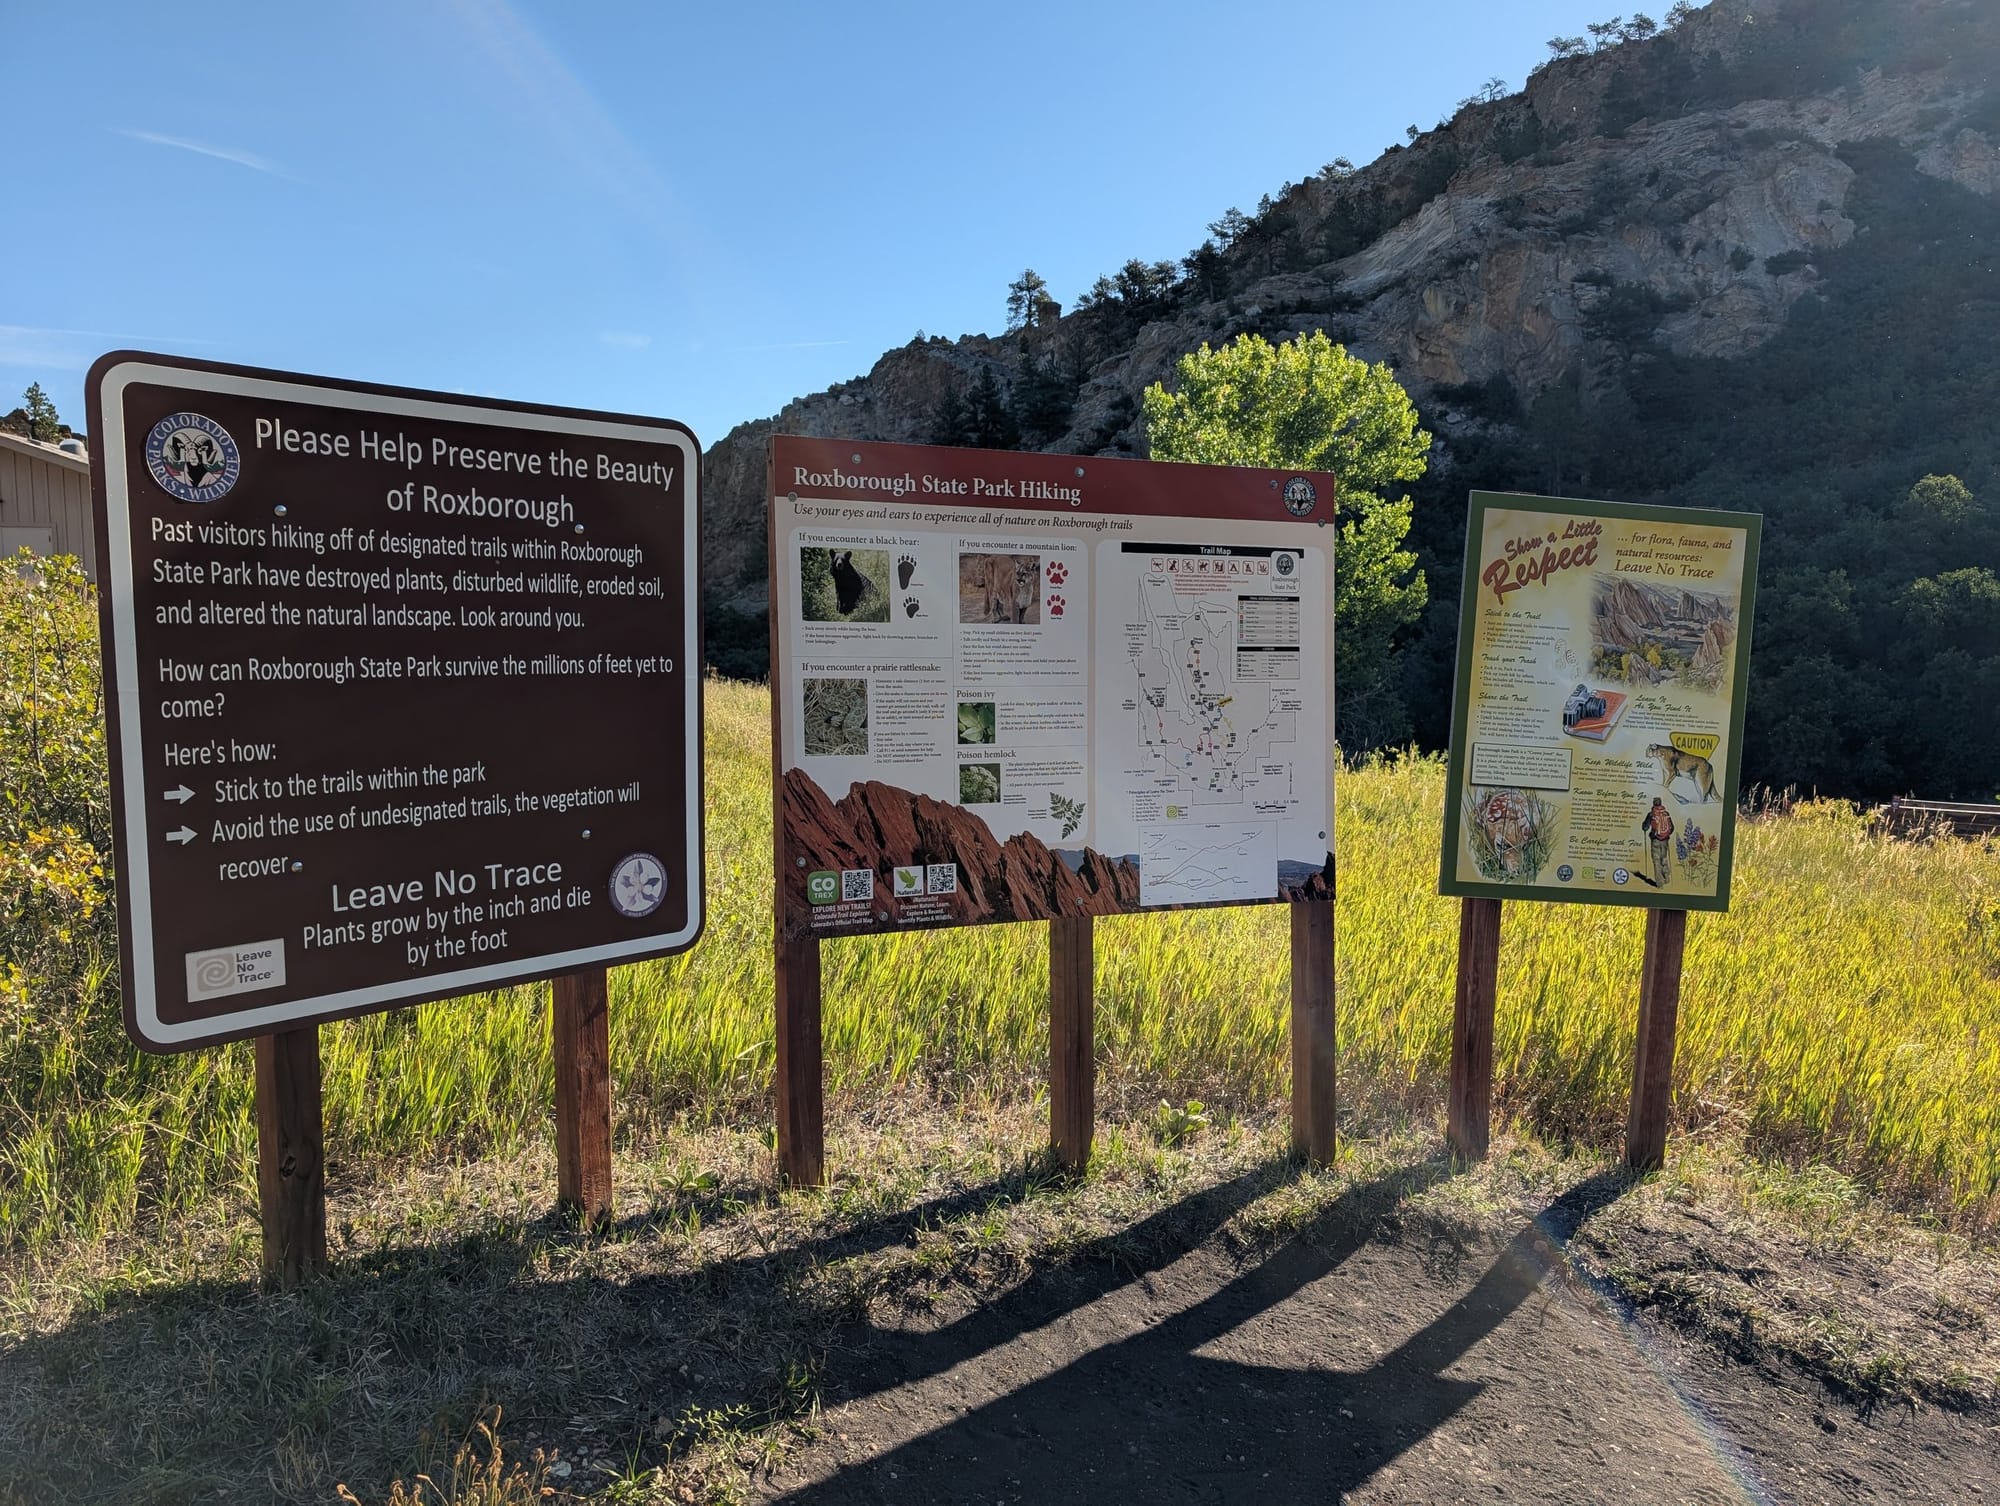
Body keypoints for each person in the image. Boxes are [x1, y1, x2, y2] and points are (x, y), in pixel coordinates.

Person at [1641, 797, 1675, 886]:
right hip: (1665, 840)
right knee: (1664, 858)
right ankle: (1667, 878)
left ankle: (1660, 883)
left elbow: (1645, 827)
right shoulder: (1666, 813)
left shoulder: (1651, 814)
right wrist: (1666, 835)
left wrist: (1645, 827)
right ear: (1661, 803)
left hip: (1655, 840)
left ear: (1653, 804)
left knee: (1656, 860)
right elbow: (1672, 828)